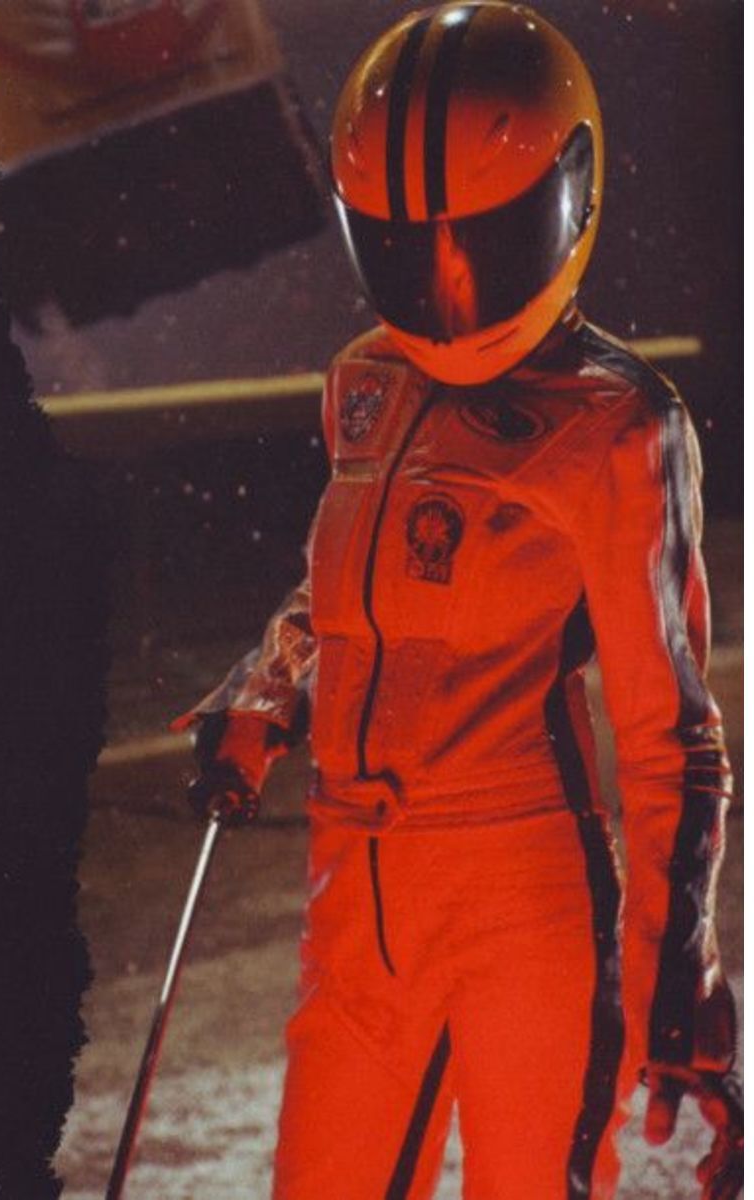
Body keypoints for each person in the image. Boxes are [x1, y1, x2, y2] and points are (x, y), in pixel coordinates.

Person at [172, 4, 742, 1197]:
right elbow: (353, 585)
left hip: (520, 900)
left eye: (486, 242)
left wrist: (676, 977)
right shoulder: (366, 382)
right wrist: (267, 690)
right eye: (410, 249)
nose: (448, 289)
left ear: (570, 200)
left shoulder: (617, 424)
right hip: (355, 893)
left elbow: (670, 734)